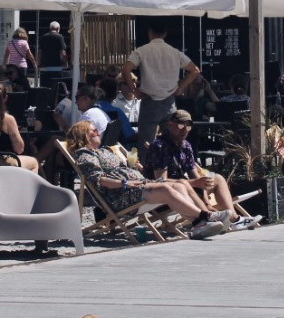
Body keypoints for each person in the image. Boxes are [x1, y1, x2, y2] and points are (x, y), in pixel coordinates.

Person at [65, 120, 229, 239]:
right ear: (83, 136)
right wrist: (125, 182)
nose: (98, 132)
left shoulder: (104, 150)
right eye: (94, 131)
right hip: (122, 195)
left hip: (138, 186)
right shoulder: (84, 155)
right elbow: (99, 180)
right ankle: (204, 217)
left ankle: (199, 224)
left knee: (180, 184)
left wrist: (135, 168)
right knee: (165, 189)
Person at [140, 110, 260, 230]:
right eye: (181, 125)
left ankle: (235, 220)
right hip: (161, 196)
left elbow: (198, 180)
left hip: (185, 190)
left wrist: (207, 202)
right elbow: (161, 180)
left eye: (188, 126)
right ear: (170, 124)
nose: (184, 130)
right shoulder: (160, 146)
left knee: (217, 179)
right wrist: (195, 184)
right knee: (183, 184)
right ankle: (206, 217)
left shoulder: (185, 146)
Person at [121, 21, 200, 149]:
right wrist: (180, 87)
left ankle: (147, 168)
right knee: (173, 142)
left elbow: (125, 69)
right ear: (165, 34)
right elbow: (195, 70)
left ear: (149, 33)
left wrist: (134, 90)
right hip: (169, 101)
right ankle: (172, 167)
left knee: (146, 144)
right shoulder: (175, 52)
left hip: (149, 100)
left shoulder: (142, 51)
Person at [94, 78, 137, 144]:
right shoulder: (117, 112)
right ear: (116, 93)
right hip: (114, 149)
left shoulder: (91, 108)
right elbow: (129, 135)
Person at [38, 21, 68, 87]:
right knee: (56, 85)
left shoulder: (43, 37)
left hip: (45, 66)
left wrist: (39, 63)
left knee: (45, 86)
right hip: (56, 66)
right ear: (57, 28)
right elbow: (62, 52)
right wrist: (66, 63)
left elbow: (40, 52)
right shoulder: (60, 37)